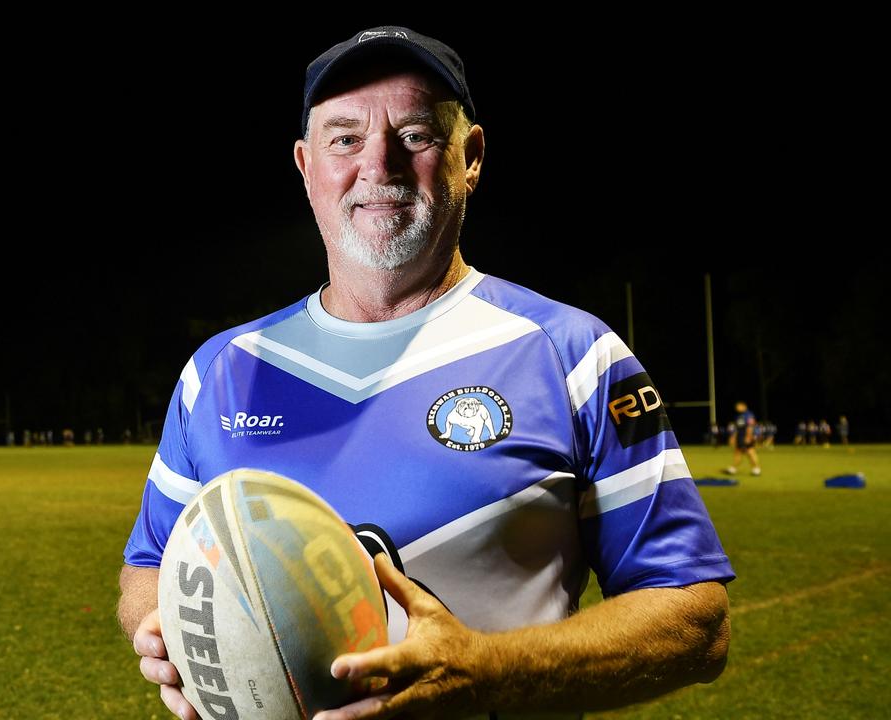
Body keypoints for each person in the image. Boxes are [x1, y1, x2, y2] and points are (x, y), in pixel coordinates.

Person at [118, 26, 733, 719]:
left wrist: (491, 672)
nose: (378, 164)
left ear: (470, 159)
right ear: (305, 165)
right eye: (345, 138)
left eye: (414, 135)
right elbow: (151, 563)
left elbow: (695, 622)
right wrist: (159, 628)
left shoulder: (573, 355)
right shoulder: (223, 372)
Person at [724, 401, 761, 476]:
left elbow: (750, 426)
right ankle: (733, 468)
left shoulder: (748, 414)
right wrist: (734, 437)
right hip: (740, 436)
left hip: (746, 436)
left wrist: (748, 437)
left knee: (750, 452)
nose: (737, 408)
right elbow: (737, 428)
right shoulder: (738, 416)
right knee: (738, 452)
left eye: (739, 406)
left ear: (744, 406)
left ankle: (756, 468)